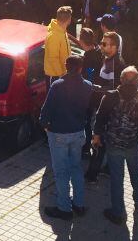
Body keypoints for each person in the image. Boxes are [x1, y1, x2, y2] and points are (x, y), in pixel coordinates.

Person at [92, 66, 138, 225]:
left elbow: (100, 117)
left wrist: (96, 136)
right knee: (136, 174)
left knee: (117, 179)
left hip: (113, 144)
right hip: (133, 144)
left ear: (121, 80)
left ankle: (118, 212)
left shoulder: (111, 97)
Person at [39, 56, 94, 220]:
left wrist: (44, 124)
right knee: (76, 168)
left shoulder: (57, 85)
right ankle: (79, 204)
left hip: (59, 134)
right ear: (81, 68)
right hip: (78, 133)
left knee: (61, 172)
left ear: (66, 67)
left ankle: (64, 208)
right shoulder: (88, 86)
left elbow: (46, 109)